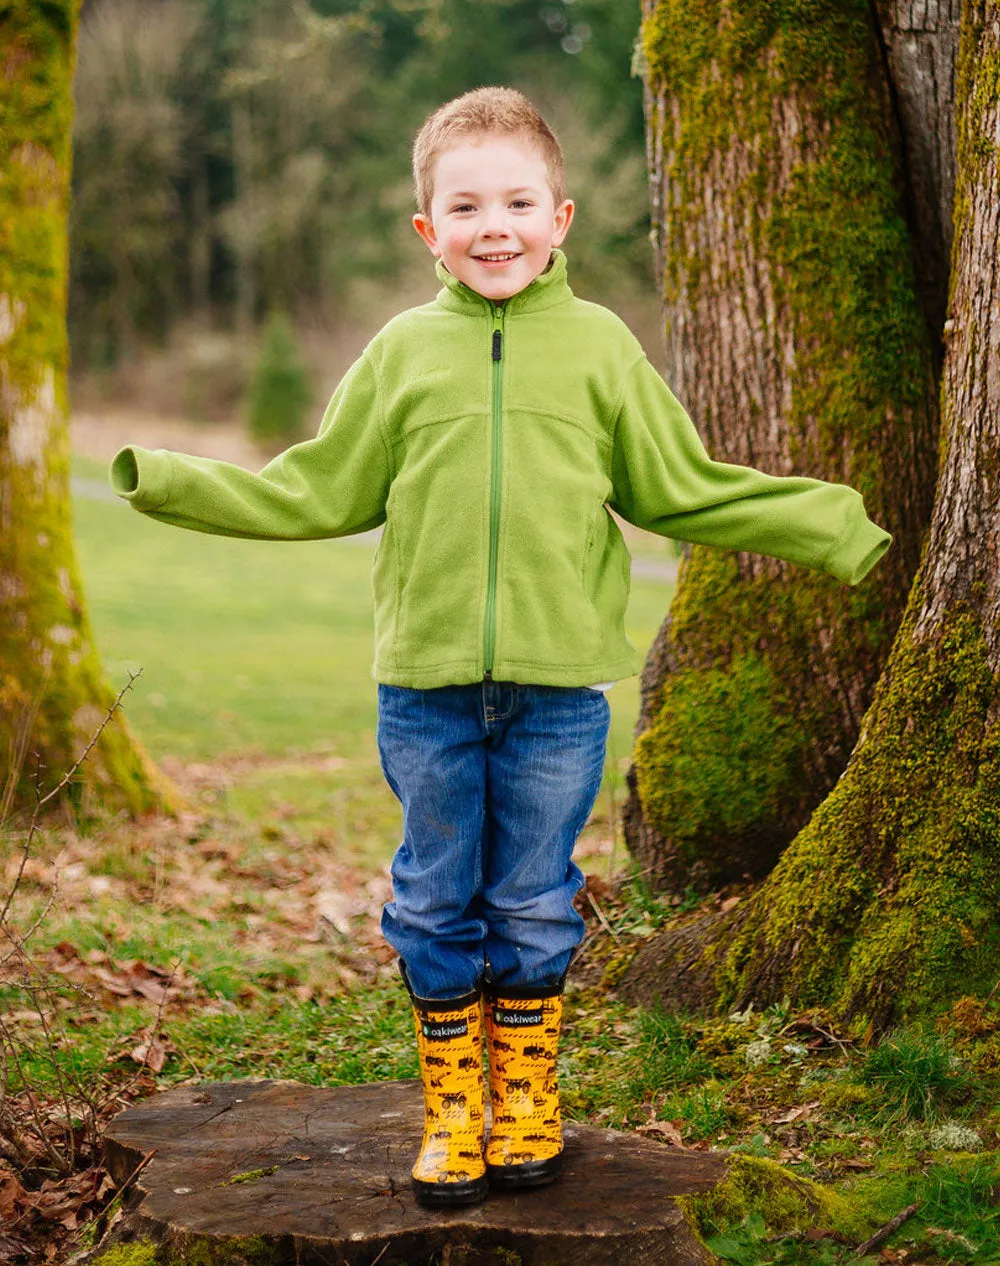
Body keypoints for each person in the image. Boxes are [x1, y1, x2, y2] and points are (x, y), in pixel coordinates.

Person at [109, 86, 891, 1208]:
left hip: (558, 691)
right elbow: (317, 486)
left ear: (560, 218)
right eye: (466, 205)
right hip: (423, 691)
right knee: (433, 901)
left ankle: (524, 1099)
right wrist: (169, 479)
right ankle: (449, 1113)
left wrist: (829, 524)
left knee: (531, 898)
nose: (495, 226)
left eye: (517, 201)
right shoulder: (400, 353)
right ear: (428, 230)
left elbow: (678, 487)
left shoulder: (599, 347)